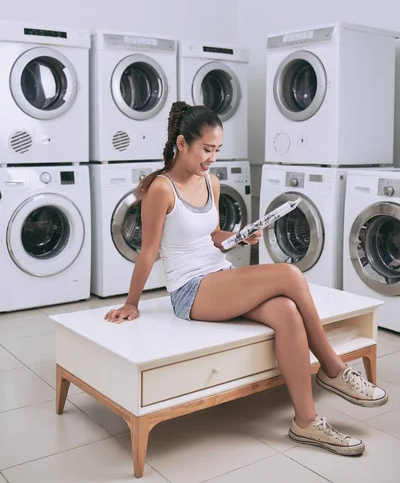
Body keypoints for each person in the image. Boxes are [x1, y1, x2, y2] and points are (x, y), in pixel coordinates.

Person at [105, 101, 388, 456]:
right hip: (190, 290)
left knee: (286, 311)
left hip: (219, 275)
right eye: (207, 149)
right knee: (288, 273)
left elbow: (209, 235)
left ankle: (305, 422)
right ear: (181, 144)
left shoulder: (212, 182)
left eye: (218, 150)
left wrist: (237, 236)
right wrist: (132, 302)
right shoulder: (161, 188)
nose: (213, 158)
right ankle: (332, 367)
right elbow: (149, 251)